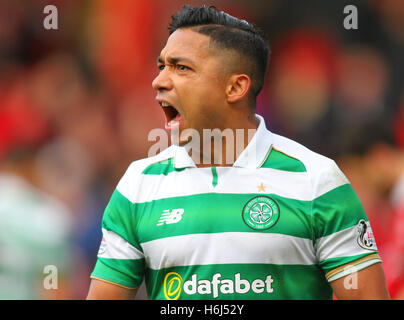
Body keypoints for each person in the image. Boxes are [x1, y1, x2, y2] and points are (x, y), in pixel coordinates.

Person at [87, 5, 390, 300]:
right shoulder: (138, 186)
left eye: (181, 68)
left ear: (235, 87)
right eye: (161, 66)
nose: (159, 81)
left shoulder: (317, 182)